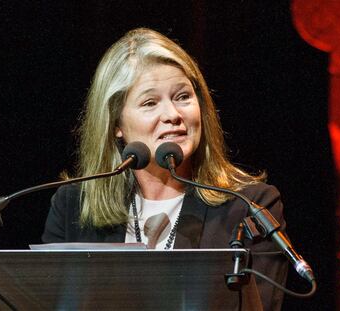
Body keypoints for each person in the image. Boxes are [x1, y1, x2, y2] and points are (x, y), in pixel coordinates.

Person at [42, 28, 288, 310]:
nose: (173, 115)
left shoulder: (251, 208)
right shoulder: (72, 207)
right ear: (117, 125)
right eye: (150, 103)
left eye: (183, 97)